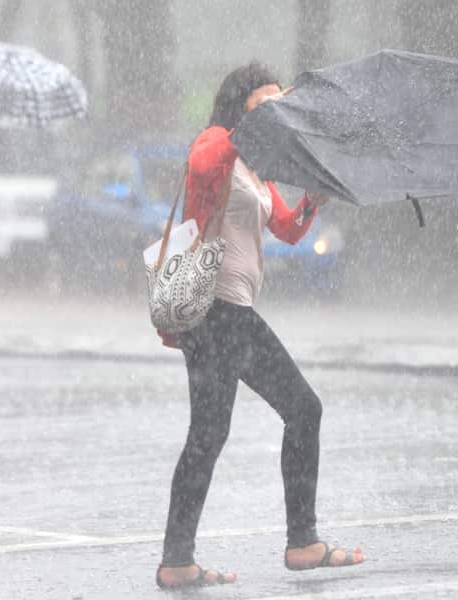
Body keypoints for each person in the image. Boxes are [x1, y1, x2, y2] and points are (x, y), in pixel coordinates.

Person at [155, 62, 365, 590]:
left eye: (279, 101)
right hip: (213, 312)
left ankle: (292, 544)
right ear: (240, 103)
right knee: (226, 428)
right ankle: (289, 544)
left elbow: (287, 231)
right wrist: (250, 126)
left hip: (237, 315)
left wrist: (310, 204)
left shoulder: (255, 165)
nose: (276, 108)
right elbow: (200, 165)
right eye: (265, 100)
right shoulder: (218, 142)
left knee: (269, 418)